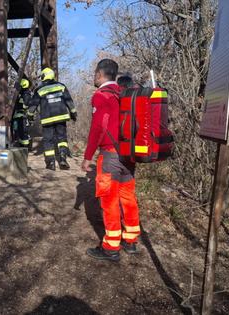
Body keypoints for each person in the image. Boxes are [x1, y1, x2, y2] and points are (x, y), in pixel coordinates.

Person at [81, 59, 141, 262]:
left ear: (99, 74)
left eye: (94, 74)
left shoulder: (101, 95)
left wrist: (88, 156)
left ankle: (110, 246)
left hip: (109, 156)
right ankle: (131, 240)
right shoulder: (124, 93)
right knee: (128, 198)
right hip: (128, 156)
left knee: (109, 200)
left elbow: (98, 128)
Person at [29, 67, 77, 170]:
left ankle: (50, 163)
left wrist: (29, 115)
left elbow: (33, 105)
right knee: (62, 138)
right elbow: (69, 102)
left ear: (44, 76)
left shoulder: (40, 90)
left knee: (48, 140)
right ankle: (63, 158)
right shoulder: (61, 86)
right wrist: (73, 113)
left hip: (47, 119)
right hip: (61, 118)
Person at [11, 78, 33, 147]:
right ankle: (21, 145)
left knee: (23, 133)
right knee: (17, 132)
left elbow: (26, 105)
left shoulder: (26, 94)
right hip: (16, 116)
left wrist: (20, 105)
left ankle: (25, 147)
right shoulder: (19, 94)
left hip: (22, 116)